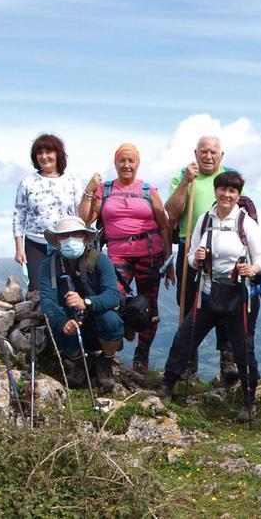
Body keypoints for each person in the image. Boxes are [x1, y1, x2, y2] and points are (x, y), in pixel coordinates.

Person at [156, 171, 261, 422]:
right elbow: (190, 256)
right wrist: (196, 259)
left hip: (238, 296)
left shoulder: (245, 223)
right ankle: (167, 384)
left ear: (239, 195)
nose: (227, 194)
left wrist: (253, 269)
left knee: (243, 350)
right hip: (206, 294)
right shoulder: (204, 220)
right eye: (223, 189)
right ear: (216, 191)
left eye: (233, 191)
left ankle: (250, 401)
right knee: (185, 338)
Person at [79, 143, 174, 374]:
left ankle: (142, 353)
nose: (127, 165)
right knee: (113, 299)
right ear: (116, 163)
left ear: (138, 163)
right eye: (122, 160)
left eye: (131, 160)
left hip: (150, 254)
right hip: (118, 254)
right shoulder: (105, 189)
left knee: (149, 306)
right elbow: (86, 219)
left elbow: (165, 226)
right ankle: (116, 337)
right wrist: (89, 191)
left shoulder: (148, 190)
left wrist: (169, 260)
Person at [163, 135, 242, 384]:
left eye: (213, 152)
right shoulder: (184, 176)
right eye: (203, 151)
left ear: (222, 155)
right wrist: (186, 181)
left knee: (225, 302)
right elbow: (173, 211)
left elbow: (245, 209)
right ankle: (187, 363)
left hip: (225, 250)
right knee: (188, 305)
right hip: (191, 245)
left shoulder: (230, 178)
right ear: (195, 153)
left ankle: (228, 361)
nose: (208, 156)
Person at [37, 216, 125, 392]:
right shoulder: (49, 266)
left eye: (76, 234)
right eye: (64, 235)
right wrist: (62, 323)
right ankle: (80, 363)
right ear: (57, 241)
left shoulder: (100, 260)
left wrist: (87, 302)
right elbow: (47, 300)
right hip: (71, 322)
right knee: (54, 325)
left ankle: (105, 361)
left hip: (97, 321)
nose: (70, 239)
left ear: (85, 238)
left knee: (112, 321)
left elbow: (113, 295)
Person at [13, 134, 90, 291]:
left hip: (65, 242)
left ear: (58, 154)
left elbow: (79, 213)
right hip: (35, 244)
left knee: (67, 288)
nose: (44, 156)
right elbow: (19, 215)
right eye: (40, 153)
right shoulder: (27, 182)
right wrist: (19, 248)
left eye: (49, 152)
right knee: (38, 289)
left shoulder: (72, 181)